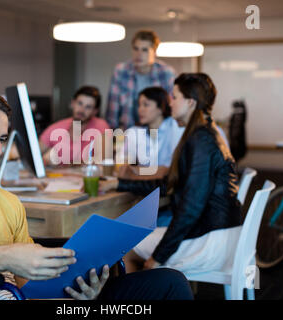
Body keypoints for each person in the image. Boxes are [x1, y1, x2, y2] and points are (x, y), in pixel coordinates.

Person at [0, 86, 193, 300]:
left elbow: (27, 281)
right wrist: (2, 256)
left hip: (31, 296)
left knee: (168, 283)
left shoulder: (7, 202)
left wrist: (79, 287)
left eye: (2, 139)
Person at [102, 73, 242, 274]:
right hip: (214, 231)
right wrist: (118, 184)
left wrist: (159, 256)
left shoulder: (201, 141)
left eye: (175, 97)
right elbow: (169, 184)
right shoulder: (202, 133)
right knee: (129, 238)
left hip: (210, 240)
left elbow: (191, 207)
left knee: (125, 247)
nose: (170, 103)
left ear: (191, 102)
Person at [106, 30, 176, 130]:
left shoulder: (166, 73)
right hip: (126, 132)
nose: (139, 54)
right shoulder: (121, 71)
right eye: (136, 49)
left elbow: (171, 109)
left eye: (144, 50)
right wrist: (117, 143)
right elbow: (112, 114)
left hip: (158, 133)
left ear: (155, 52)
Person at [39, 86, 110, 166]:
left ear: (95, 111)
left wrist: (68, 165)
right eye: (80, 103)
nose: (82, 110)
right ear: (73, 103)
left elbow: (103, 160)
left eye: (88, 107)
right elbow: (35, 152)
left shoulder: (101, 126)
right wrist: (44, 161)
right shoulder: (56, 127)